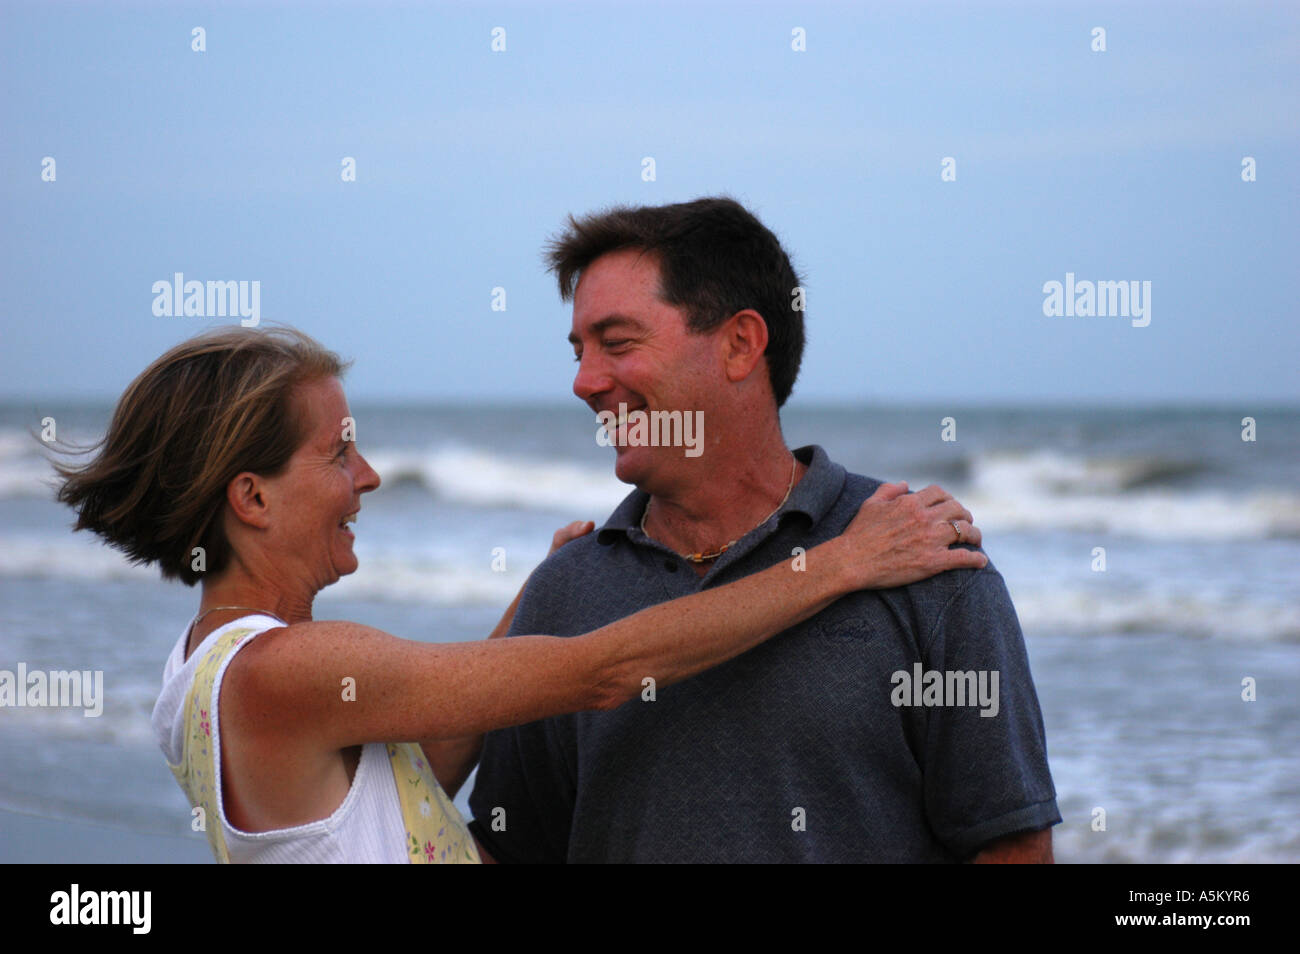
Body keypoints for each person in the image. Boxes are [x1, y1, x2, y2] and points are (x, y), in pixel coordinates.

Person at [53, 325, 985, 864]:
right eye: (337, 453)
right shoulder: (289, 669)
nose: (369, 476)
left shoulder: (205, 670)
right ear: (250, 498)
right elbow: (607, 672)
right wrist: (843, 562)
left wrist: (535, 598)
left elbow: (414, 778)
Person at [469, 197, 1061, 863]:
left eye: (617, 342)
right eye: (579, 351)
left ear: (740, 344)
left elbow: (1011, 845)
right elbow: (508, 850)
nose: (584, 382)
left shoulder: (926, 563)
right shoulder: (565, 591)